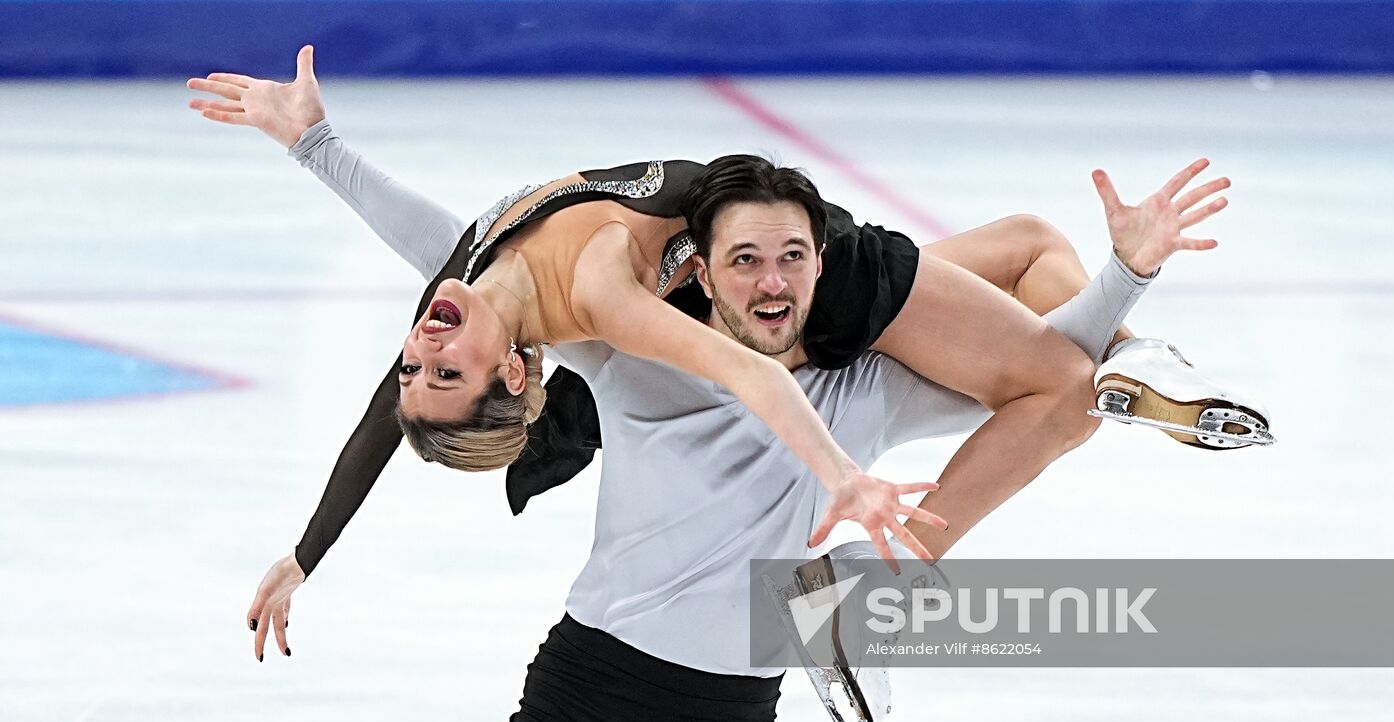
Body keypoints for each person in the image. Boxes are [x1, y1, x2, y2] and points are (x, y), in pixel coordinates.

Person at [223, 113, 1187, 722]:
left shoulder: (868, 376)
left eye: (784, 262)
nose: (766, 280)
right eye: (745, 261)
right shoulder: (622, 358)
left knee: (1033, 298)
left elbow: (1048, 377)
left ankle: (859, 591)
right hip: (584, 700)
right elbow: (459, 262)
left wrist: (1127, 285)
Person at [189, 47, 1232, 579]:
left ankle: (1133, 360)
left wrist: (313, 146)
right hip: (810, 282)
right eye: (445, 369)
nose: (417, 350)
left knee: (1019, 243)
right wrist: (843, 479)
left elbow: (388, 416)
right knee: (1056, 382)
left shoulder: (469, 271)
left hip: (786, 257)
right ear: (512, 372)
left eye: (413, 363)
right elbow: (748, 372)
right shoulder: (591, 291)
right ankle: (876, 587)